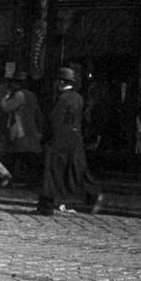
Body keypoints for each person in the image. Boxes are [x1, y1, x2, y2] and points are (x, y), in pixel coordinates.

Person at [37, 66, 104, 216]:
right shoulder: (78, 98)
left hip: (59, 141)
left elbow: (54, 120)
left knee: (50, 171)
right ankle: (94, 195)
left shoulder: (62, 99)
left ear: (61, 82)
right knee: (77, 171)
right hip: (75, 139)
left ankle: (46, 206)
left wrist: (46, 137)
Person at [0, 72, 44, 184]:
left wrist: (5, 96)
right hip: (31, 130)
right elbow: (38, 113)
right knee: (28, 156)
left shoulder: (19, 95)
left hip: (19, 130)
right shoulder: (32, 95)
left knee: (16, 155)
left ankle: (14, 179)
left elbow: (6, 107)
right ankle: (29, 180)